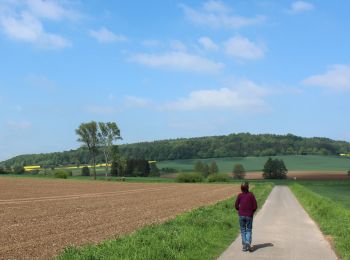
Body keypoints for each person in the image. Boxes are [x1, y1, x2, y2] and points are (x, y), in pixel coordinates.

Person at [234, 182, 257, 252]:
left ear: (241, 188)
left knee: (243, 230)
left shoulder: (239, 195)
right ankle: (247, 242)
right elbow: (255, 206)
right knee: (249, 229)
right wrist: (252, 212)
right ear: (248, 187)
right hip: (249, 215)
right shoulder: (251, 195)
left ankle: (244, 246)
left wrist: (240, 210)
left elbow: (236, 205)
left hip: (241, 215)